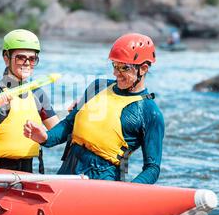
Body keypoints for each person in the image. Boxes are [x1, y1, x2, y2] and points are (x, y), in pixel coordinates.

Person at [24, 33, 164, 184]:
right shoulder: (98, 86)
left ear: (143, 69)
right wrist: (46, 137)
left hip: (103, 178)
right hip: (68, 169)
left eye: (124, 68)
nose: (116, 73)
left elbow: (152, 168)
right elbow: (69, 124)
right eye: (114, 65)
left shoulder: (150, 113)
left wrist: (128, 193)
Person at [0, 29, 59, 173]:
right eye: (20, 58)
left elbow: (58, 132)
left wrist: (74, 116)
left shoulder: (38, 95)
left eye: (32, 59)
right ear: (6, 58)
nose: (27, 63)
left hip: (28, 172)